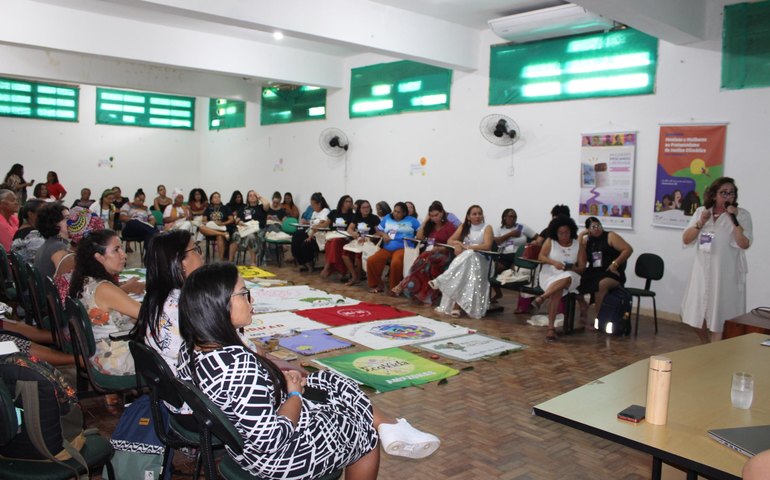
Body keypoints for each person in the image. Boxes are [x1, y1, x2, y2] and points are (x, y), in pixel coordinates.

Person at [176, 263, 440, 480]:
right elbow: (271, 440)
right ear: (219, 304)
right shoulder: (238, 366)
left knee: (325, 379)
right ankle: (385, 427)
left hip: (244, 443)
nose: (251, 299)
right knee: (364, 433)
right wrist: (293, 395)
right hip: (279, 459)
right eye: (244, 293)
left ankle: (389, 424)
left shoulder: (191, 349)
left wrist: (286, 386)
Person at [681, 177, 752, 343]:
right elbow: (686, 239)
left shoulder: (742, 215)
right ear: (714, 195)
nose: (728, 197)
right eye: (724, 193)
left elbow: (744, 243)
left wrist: (734, 220)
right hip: (702, 273)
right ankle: (707, 345)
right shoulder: (701, 212)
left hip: (725, 274)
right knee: (696, 316)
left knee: (719, 318)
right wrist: (701, 222)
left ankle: (715, 351)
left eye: (731, 193)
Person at [69, 230, 140, 378]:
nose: (124, 255)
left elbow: (113, 318)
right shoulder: (104, 288)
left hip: (99, 354)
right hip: (115, 360)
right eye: (116, 250)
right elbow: (149, 314)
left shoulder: (87, 281)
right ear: (99, 257)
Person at [131, 230, 204, 374]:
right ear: (181, 262)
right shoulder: (185, 308)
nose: (201, 255)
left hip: (170, 385)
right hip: (191, 386)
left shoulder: (157, 298)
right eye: (195, 249)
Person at [429, 205, 494, 319]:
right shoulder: (464, 227)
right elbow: (450, 240)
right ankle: (456, 305)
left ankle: (442, 280)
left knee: (470, 254)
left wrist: (467, 247)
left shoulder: (487, 228)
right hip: (465, 261)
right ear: (468, 217)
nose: (478, 216)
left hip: (482, 260)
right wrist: (458, 244)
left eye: (480, 213)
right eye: (474, 214)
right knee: (465, 267)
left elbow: (487, 246)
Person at [534, 215, 586, 342]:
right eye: (560, 233)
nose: (564, 235)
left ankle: (543, 297)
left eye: (566, 232)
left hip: (571, 276)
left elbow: (582, 268)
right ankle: (551, 329)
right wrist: (553, 263)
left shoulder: (578, 245)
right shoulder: (550, 241)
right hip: (550, 274)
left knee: (567, 277)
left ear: (571, 231)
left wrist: (572, 268)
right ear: (555, 233)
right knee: (557, 290)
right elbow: (541, 256)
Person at [392, 200, 456, 304]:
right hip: (430, 254)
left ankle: (403, 283)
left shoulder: (449, 226)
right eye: (431, 216)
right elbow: (419, 237)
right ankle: (420, 292)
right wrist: (425, 221)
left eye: (436, 215)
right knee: (424, 262)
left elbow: (453, 244)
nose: (434, 218)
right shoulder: (430, 225)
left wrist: (441, 248)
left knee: (424, 258)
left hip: (445, 254)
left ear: (442, 213)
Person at [576, 217, 633, 326]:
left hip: (611, 271)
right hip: (594, 271)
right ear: (588, 230)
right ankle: (583, 305)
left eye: (598, 226)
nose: (597, 229)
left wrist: (615, 264)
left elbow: (628, 249)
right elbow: (578, 254)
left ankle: (599, 319)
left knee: (600, 285)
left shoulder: (610, 236)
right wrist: (581, 235)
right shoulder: (587, 241)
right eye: (593, 227)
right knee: (575, 280)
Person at [366, 202, 420, 293]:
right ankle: (377, 285)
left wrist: (415, 237)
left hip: (403, 247)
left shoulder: (412, 220)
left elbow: (422, 232)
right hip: (387, 247)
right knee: (372, 260)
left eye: (399, 212)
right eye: (395, 211)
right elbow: (378, 230)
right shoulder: (387, 218)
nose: (395, 214)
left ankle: (394, 288)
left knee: (396, 262)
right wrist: (384, 234)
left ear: (404, 213)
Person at [491, 208, 539, 302]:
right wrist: (510, 234)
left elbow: (537, 237)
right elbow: (497, 241)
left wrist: (533, 243)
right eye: (510, 216)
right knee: (492, 270)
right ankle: (498, 293)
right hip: (505, 255)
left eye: (514, 217)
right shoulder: (499, 229)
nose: (513, 219)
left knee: (519, 273)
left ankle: (526, 300)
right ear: (504, 217)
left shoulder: (522, 227)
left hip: (520, 256)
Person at [341, 200, 380, 286]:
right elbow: (349, 229)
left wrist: (367, 238)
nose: (366, 209)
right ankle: (354, 276)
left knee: (358, 256)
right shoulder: (356, 217)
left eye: (368, 207)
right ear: (359, 209)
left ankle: (358, 277)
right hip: (358, 240)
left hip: (369, 241)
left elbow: (379, 232)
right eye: (364, 207)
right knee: (344, 254)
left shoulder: (374, 218)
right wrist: (354, 233)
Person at [291, 192, 330, 272]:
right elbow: (312, 222)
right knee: (296, 235)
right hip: (311, 232)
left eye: (313, 205)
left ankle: (309, 263)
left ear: (319, 204)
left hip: (319, 235)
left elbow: (320, 225)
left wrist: (310, 236)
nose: (312, 207)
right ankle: (301, 261)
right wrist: (306, 222)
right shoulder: (314, 212)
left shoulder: (325, 211)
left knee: (305, 242)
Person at [229, 190, 269, 265]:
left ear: (257, 197)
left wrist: (259, 196)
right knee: (235, 235)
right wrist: (239, 222)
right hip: (245, 229)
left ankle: (253, 262)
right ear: (247, 198)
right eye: (250, 195)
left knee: (251, 236)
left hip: (258, 231)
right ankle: (230, 261)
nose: (252, 197)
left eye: (254, 195)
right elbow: (237, 219)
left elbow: (267, 204)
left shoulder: (261, 208)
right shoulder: (244, 208)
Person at [320, 195, 355, 279]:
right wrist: (315, 226)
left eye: (350, 202)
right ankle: (340, 270)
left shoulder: (352, 215)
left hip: (344, 237)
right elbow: (325, 224)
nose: (348, 203)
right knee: (332, 243)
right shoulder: (334, 212)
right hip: (333, 235)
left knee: (335, 242)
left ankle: (328, 266)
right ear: (342, 202)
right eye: (346, 201)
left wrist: (356, 209)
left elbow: (352, 229)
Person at [33, 202, 70, 279]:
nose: (72, 221)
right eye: (67, 218)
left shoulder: (51, 243)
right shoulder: (58, 247)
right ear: (54, 223)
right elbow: (67, 281)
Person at [199, 191, 234, 261]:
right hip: (212, 229)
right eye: (215, 197)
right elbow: (204, 221)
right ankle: (223, 234)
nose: (217, 198)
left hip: (222, 227)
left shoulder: (225, 208)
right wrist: (212, 222)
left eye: (218, 197)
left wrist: (222, 223)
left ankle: (220, 260)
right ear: (211, 200)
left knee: (219, 236)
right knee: (201, 227)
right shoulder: (208, 209)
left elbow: (231, 219)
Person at [11, 199, 45, 263]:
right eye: (43, 212)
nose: (47, 215)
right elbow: (39, 262)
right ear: (31, 214)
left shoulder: (21, 231)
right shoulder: (34, 234)